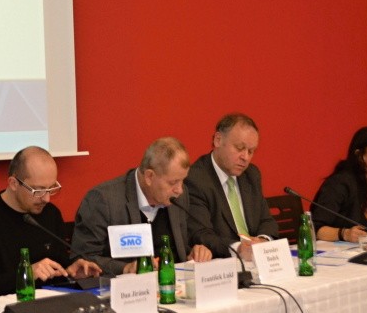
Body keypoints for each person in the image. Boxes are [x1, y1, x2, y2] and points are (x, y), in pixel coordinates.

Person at [0, 146, 101, 300]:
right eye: (38, 191)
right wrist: (26, 274)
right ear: (13, 183)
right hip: (4, 309)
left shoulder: (51, 214)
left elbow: (57, 266)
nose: (46, 199)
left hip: (50, 305)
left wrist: (70, 271)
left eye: (51, 189)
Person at [71, 137, 212, 275]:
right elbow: (83, 259)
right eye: (173, 182)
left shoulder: (179, 196)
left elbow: (176, 248)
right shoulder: (103, 201)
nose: (179, 190)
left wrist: (194, 252)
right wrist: (125, 268)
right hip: (126, 288)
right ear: (149, 176)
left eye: (182, 180)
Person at [184, 113, 278, 260]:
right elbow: (200, 234)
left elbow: (267, 221)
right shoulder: (196, 179)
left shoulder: (251, 174)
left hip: (256, 260)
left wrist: (262, 240)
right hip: (223, 263)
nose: (245, 157)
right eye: (240, 148)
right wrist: (238, 248)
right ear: (218, 140)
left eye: (251, 151)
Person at [311, 126, 367, 243]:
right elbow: (314, 228)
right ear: (360, 155)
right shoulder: (339, 184)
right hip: (335, 252)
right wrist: (344, 234)